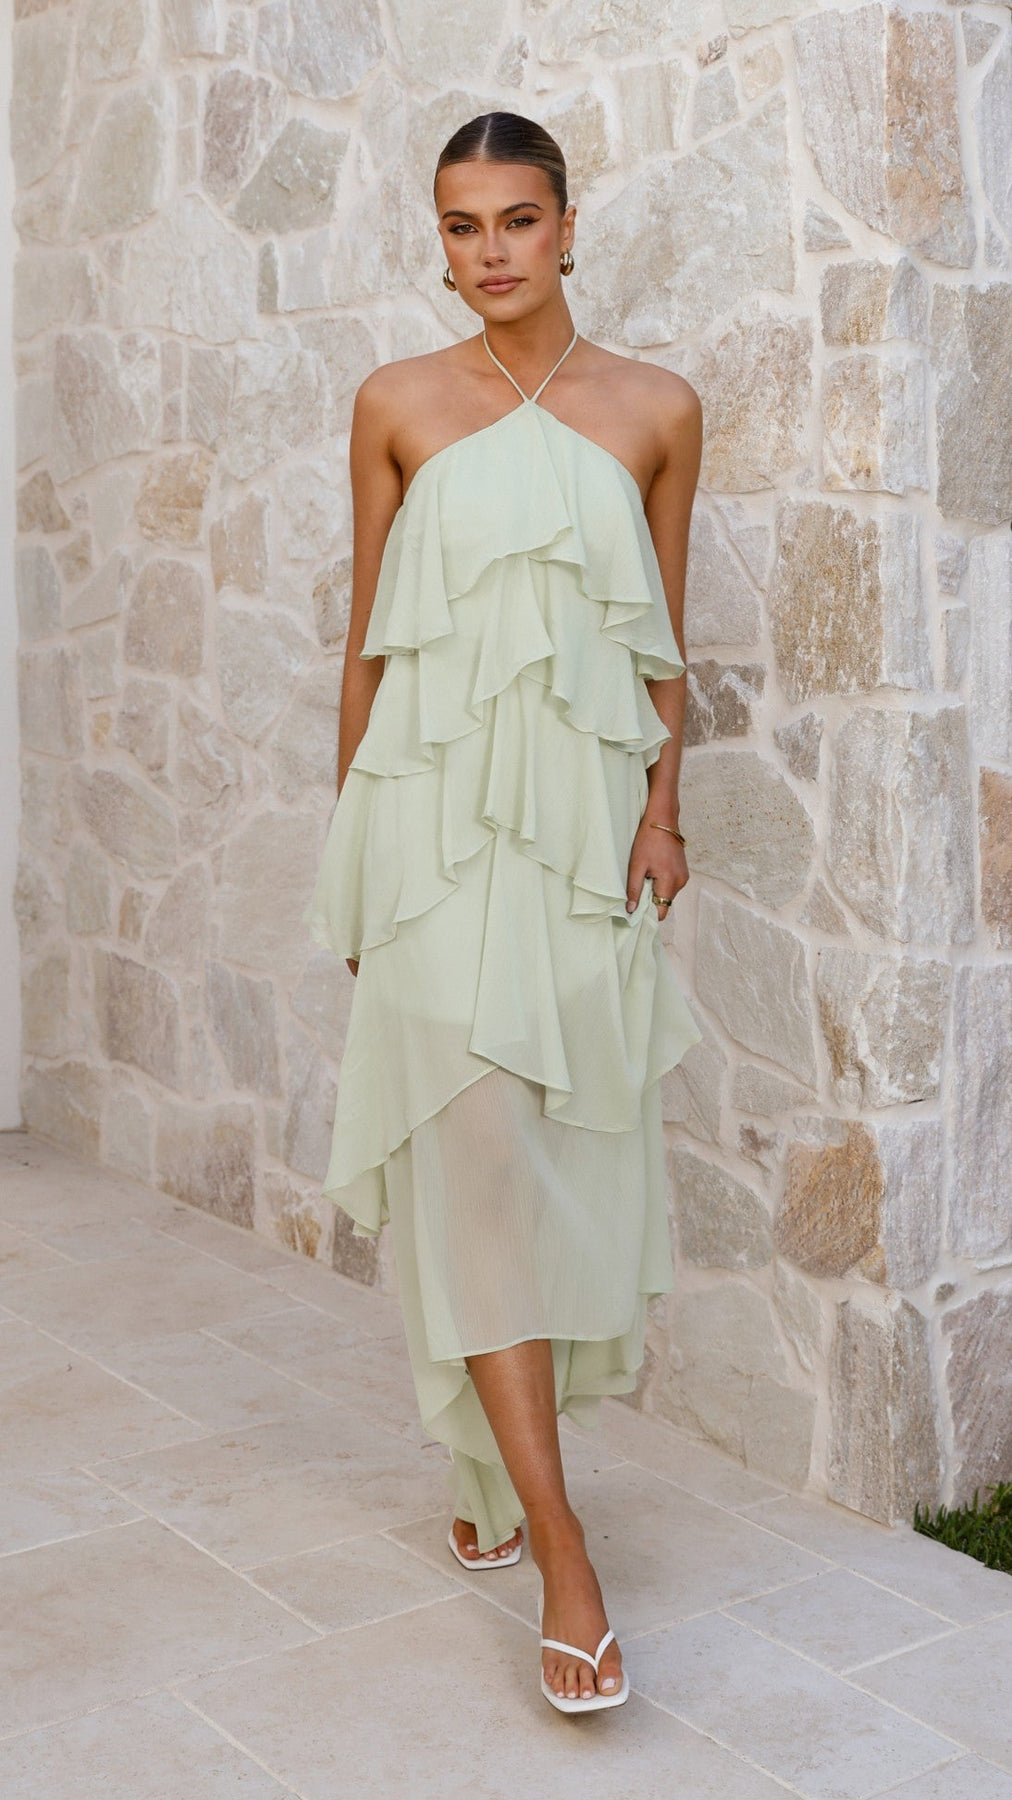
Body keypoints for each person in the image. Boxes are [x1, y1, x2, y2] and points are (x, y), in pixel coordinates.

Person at [303, 110, 702, 1713]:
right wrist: (356, 849)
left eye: (518, 221)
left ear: (568, 225)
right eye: (462, 227)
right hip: (428, 843)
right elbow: (368, 643)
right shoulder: (396, 404)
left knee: (555, 1162)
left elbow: (664, 642)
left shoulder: (657, 410)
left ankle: (483, 1468)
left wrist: (664, 815)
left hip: (581, 842)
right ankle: (564, 1554)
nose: (490, 254)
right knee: (468, 1160)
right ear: (441, 239)